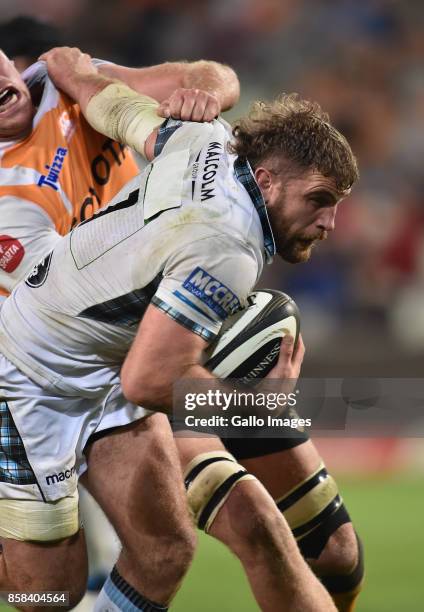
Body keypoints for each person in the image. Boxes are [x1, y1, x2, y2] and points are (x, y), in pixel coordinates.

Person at [0, 49, 334, 611]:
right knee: (48, 595)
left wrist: (200, 91)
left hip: (122, 353)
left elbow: (214, 78)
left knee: (167, 551)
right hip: (32, 373)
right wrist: (249, 409)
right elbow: (143, 372)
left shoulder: (64, 84)